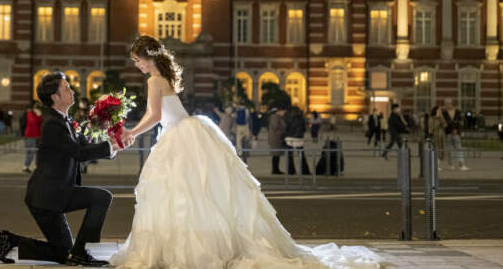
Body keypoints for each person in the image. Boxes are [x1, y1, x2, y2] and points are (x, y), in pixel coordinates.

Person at [110, 36, 380, 269]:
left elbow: (155, 115)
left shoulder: (154, 81)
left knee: (179, 193)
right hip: (184, 132)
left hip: (177, 136)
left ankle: (186, 246)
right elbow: (156, 114)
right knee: (197, 193)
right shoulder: (164, 78)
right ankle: (205, 242)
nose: (136, 65)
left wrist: (131, 132)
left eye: (137, 59)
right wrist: (133, 130)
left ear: (148, 57)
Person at [0, 72, 120, 266]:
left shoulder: (65, 120)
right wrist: (110, 146)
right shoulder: (53, 124)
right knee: (101, 199)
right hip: (45, 197)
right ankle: (78, 253)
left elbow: (84, 145)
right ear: (55, 97)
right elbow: (78, 152)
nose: (72, 91)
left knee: (64, 252)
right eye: (66, 88)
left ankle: (11, 241)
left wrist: (111, 144)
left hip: (59, 192)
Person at [442, 98, 468, 171]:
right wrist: (451, 130)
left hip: (456, 133)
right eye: (446, 104)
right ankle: (451, 165)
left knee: (459, 148)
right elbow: (444, 124)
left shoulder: (457, 112)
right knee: (450, 149)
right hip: (448, 133)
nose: (447, 105)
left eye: (448, 103)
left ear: (451, 104)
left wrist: (459, 131)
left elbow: (460, 123)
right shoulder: (444, 113)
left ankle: (461, 164)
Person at [284, 106, 311, 175]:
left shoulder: (289, 118)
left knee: (290, 156)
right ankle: (305, 170)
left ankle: (291, 171)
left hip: (290, 138)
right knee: (301, 155)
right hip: (299, 138)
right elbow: (304, 129)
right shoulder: (301, 118)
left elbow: (286, 128)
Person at [22, 102, 43, 173]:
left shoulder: (36, 113)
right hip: (30, 135)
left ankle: (37, 166)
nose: (37, 108)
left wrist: (39, 115)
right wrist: (38, 115)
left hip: (37, 135)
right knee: (30, 152)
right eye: (36, 106)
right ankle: (26, 166)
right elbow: (33, 121)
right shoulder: (30, 113)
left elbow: (40, 121)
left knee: (38, 151)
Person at [267, 107, 286, 174]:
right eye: (283, 111)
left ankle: (276, 169)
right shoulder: (275, 117)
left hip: (276, 138)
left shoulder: (276, 117)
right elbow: (275, 127)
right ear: (279, 111)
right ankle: (275, 170)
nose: (284, 113)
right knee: (276, 154)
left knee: (276, 154)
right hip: (275, 138)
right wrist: (282, 130)